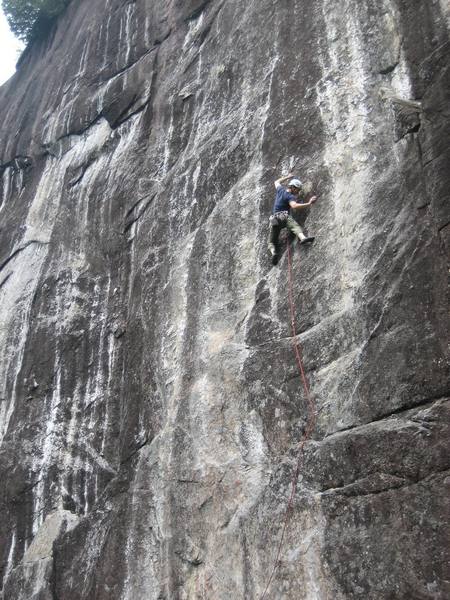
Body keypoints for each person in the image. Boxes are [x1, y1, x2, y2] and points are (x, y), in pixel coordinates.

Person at [268, 174, 317, 264]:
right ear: (293, 188)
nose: (297, 192)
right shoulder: (290, 196)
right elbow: (294, 206)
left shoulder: (280, 190)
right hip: (283, 216)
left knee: (271, 241)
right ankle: (302, 238)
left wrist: (288, 177)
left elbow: (276, 182)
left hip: (274, 219)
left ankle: (273, 253)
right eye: (297, 190)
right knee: (295, 226)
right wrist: (309, 203)